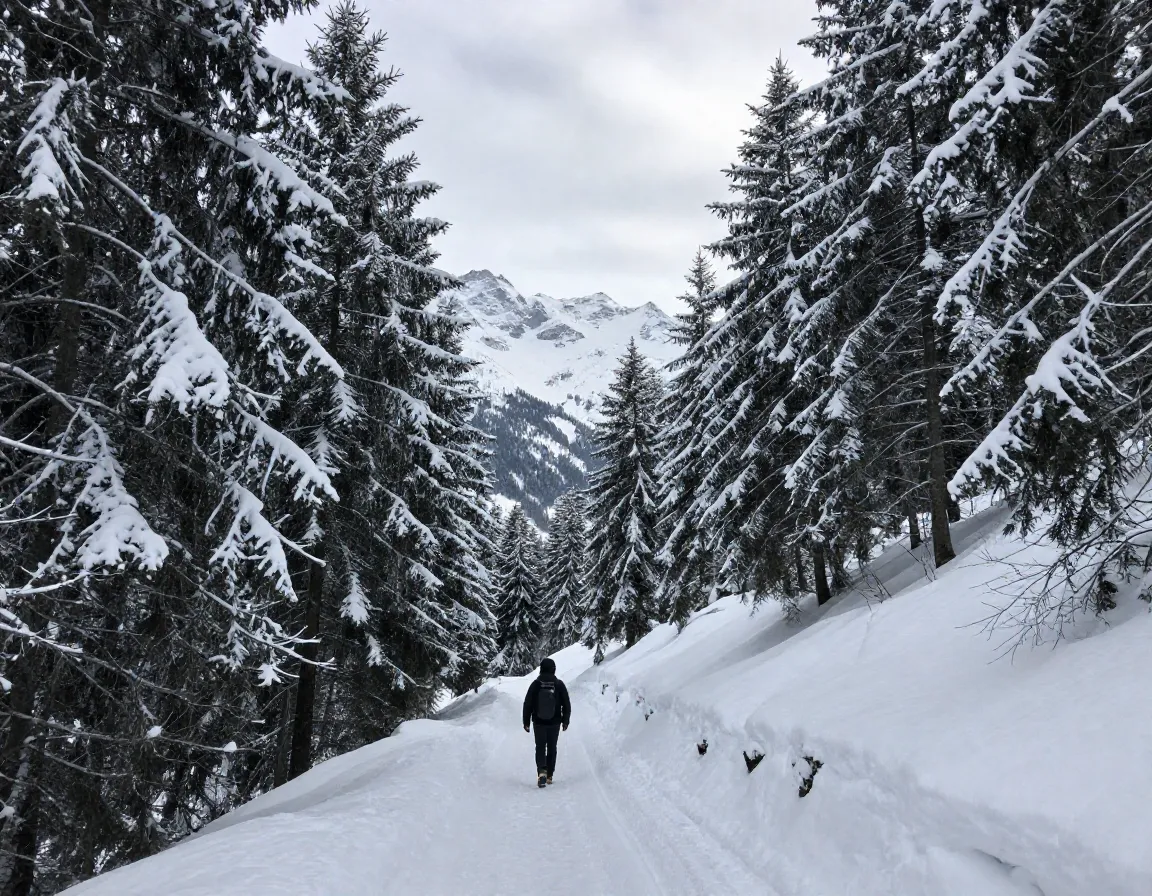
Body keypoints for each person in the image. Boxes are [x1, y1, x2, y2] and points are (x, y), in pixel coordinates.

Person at [522, 657, 571, 787]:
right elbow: (567, 704)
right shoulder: (559, 684)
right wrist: (565, 721)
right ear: (553, 669)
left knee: (540, 747)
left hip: (538, 722)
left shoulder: (536, 684)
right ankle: (549, 775)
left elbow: (528, 703)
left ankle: (542, 772)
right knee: (552, 747)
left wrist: (526, 721)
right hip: (555, 722)